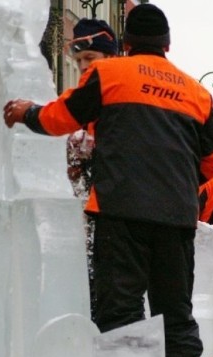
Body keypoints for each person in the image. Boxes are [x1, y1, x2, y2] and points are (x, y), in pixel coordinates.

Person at [3, 4, 213, 357]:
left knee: (121, 311)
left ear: (125, 43)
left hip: (121, 211)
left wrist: (27, 113)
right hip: (176, 218)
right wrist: (177, 182)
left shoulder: (109, 74)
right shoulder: (195, 92)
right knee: (174, 315)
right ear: (168, 45)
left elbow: (62, 118)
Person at [64, 18, 119, 320]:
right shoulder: (80, 104)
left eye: (90, 58)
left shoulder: (118, 98)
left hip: (114, 213)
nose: (84, 66)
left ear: (109, 57)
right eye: (79, 60)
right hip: (86, 214)